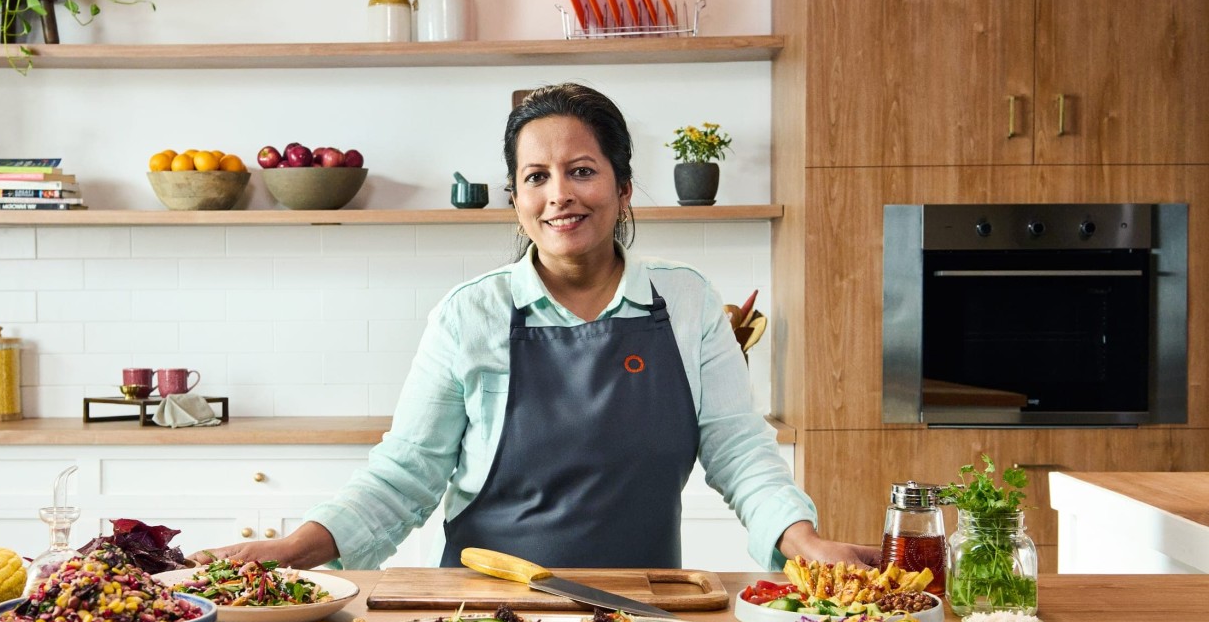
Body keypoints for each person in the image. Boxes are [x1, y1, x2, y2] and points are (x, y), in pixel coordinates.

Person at [194, 83, 878, 571]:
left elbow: (741, 452)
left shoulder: (688, 302)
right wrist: (294, 549)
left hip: (645, 617)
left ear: (622, 187)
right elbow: (404, 476)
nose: (559, 194)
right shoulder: (471, 314)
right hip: (483, 618)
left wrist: (804, 541)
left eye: (582, 171)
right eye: (536, 176)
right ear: (516, 198)